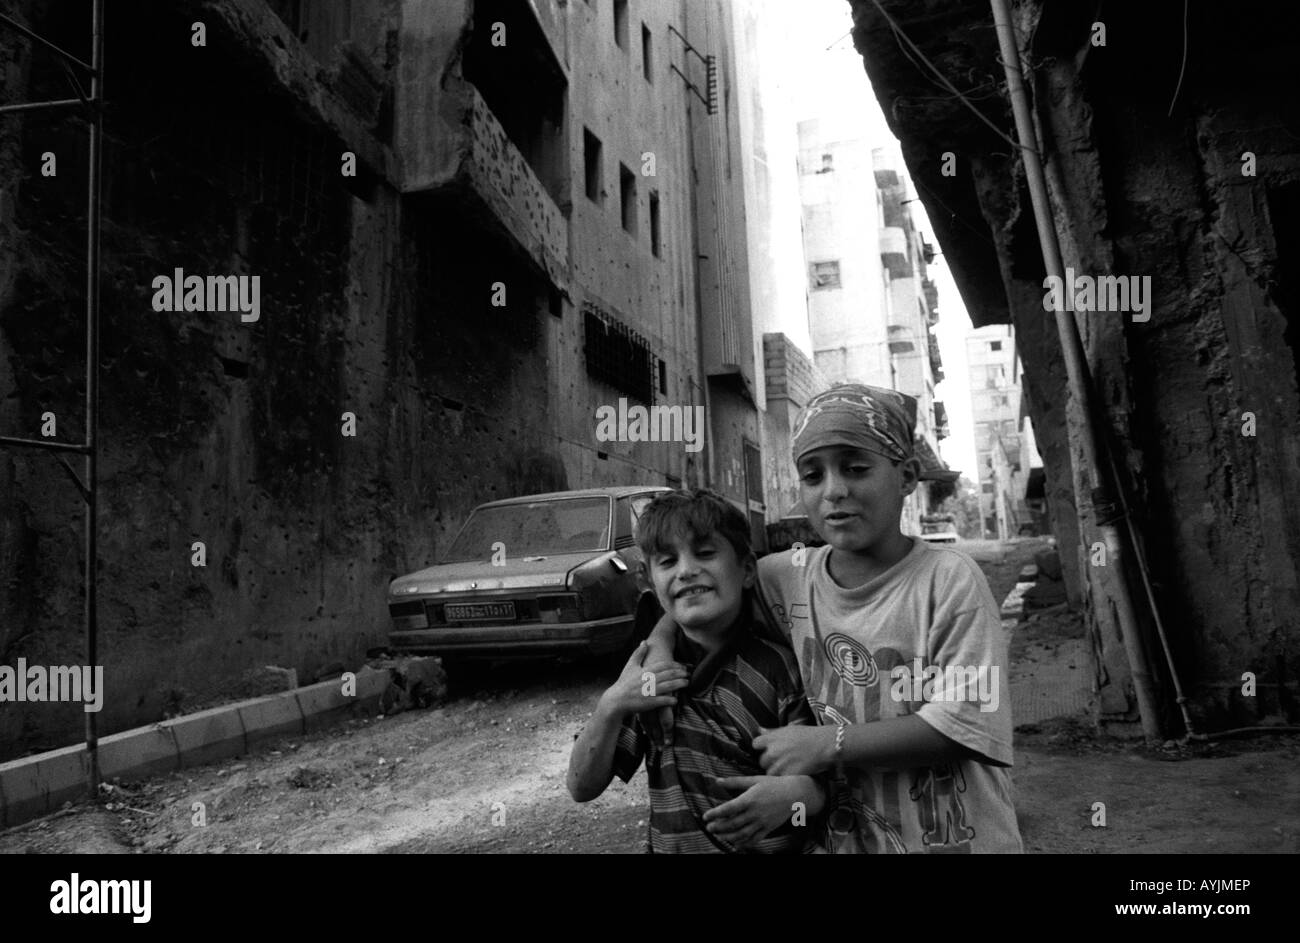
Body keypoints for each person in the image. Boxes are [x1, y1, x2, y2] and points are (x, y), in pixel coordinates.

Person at [648, 384, 1022, 853]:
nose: (834, 490)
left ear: (906, 476)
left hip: (956, 839)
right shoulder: (789, 575)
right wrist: (659, 656)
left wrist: (828, 745)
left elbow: (962, 725)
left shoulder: (948, 580)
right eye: (812, 475)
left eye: (855, 468)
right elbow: (694, 599)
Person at [566, 489, 825, 853]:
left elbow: (824, 786)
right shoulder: (645, 679)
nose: (686, 571)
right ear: (649, 580)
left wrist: (796, 796)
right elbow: (582, 788)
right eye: (668, 561)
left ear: (747, 569)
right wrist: (612, 706)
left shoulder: (781, 670)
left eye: (705, 553)